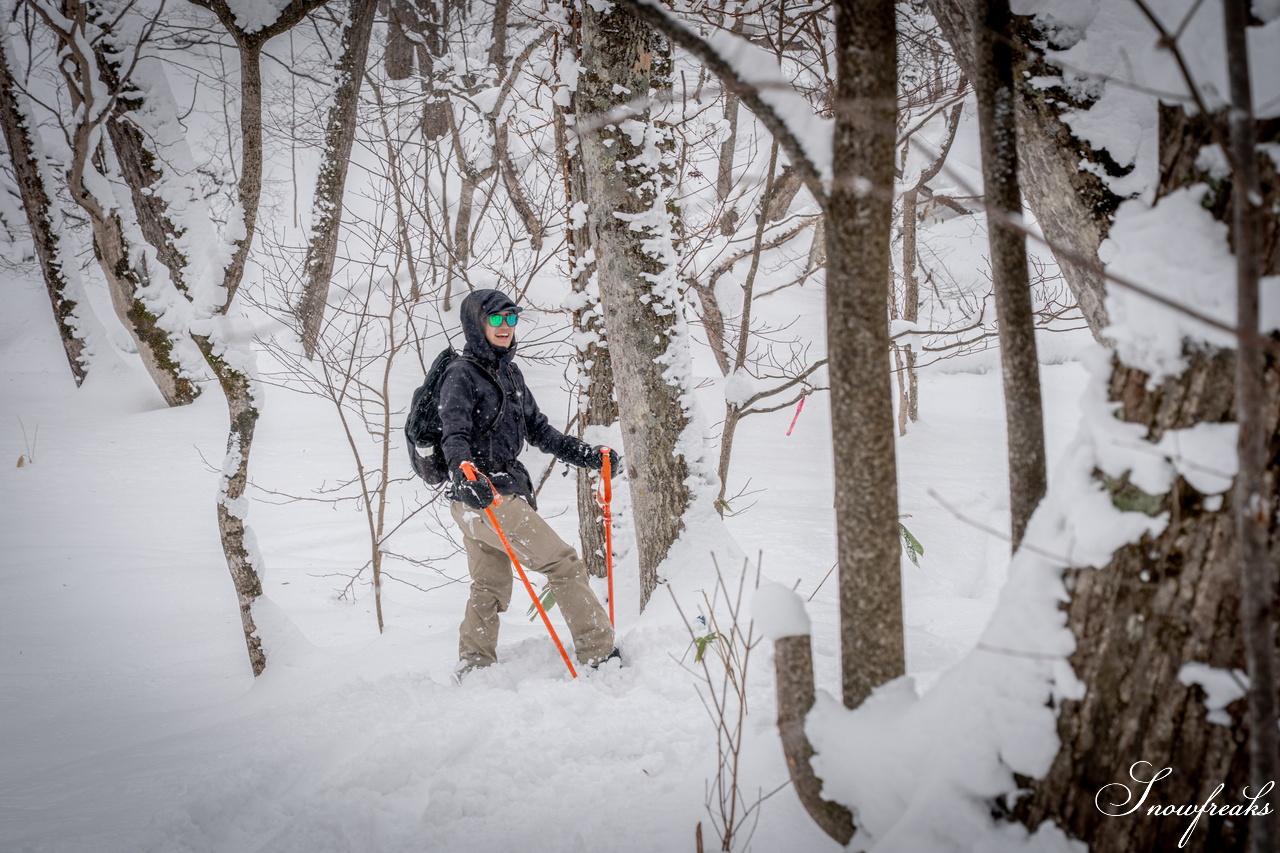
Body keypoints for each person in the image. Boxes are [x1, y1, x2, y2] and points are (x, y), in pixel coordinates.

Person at [439, 289, 621, 681]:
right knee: (564, 564)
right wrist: (465, 473)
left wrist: (586, 455)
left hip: (476, 501)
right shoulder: (461, 374)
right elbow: (453, 435)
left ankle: (473, 665)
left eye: (511, 319)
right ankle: (600, 654)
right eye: (497, 320)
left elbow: (538, 430)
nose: (506, 327)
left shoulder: (509, 372)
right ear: (477, 324)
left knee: (488, 585)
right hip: (486, 494)